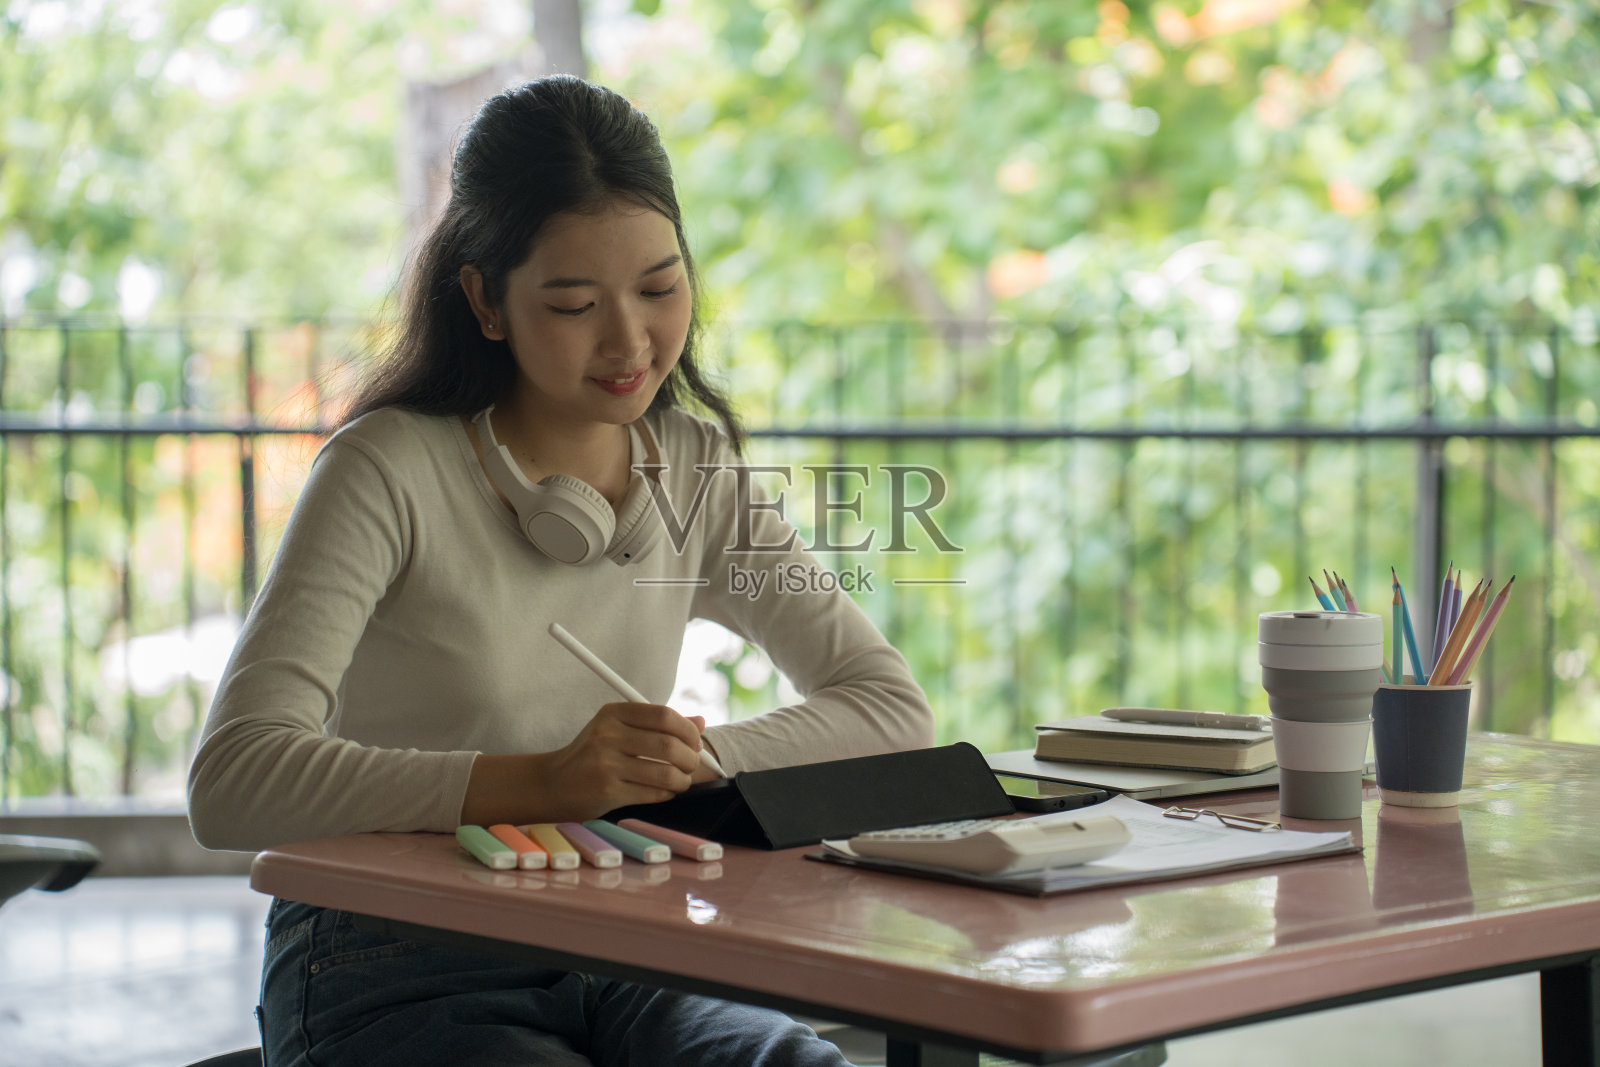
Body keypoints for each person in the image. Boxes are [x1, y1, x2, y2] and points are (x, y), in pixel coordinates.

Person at [186, 75, 934, 1067]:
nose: (631, 342)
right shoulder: (387, 468)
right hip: (388, 953)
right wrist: (538, 781)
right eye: (575, 303)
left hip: (618, 940)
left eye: (661, 289)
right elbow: (232, 780)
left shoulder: (692, 466)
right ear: (484, 301)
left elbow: (888, 707)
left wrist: (676, 764)